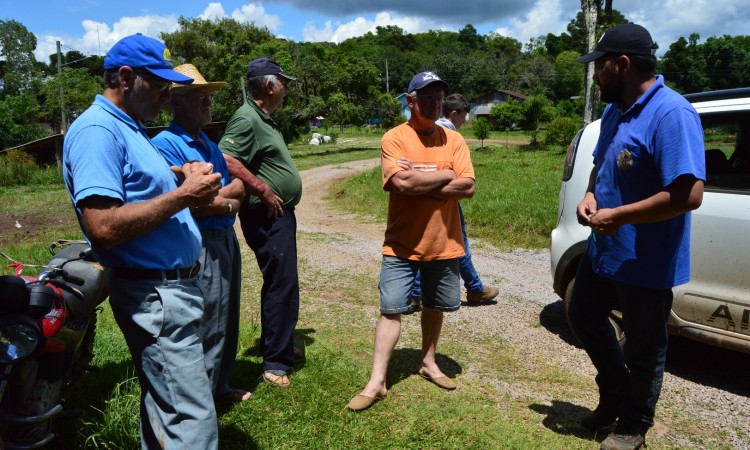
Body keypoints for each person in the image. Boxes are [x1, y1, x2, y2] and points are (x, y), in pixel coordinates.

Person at [63, 34, 223, 449]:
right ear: (125, 77)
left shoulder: (128, 127)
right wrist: (184, 195)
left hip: (168, 291)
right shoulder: (97, 131)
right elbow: (102, 225)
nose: (166, 97)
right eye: (158, 85)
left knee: (165, 405)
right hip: (155, 295)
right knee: (192, 421)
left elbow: (138, 188)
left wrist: (179, 177)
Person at [570, 23, 705, 450]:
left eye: (600, 67)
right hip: (604, 248)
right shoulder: (614, 110)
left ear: (622, 64)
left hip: (646, 257)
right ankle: (614, 393)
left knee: (645, 346)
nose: (596, 76)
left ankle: (633, 424)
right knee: (583, 314)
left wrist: (621, 216)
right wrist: (591, 193)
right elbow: (601, 164)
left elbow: (688, 194)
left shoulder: (672, 113)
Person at [347, 71, 476, 412]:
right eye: (428, 96)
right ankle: (377, 382)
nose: (436, 102)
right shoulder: (394, 138)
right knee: (391, 309)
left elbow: (468, 187)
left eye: (439, 97)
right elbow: (399, 185)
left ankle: (428, 362)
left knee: (435, 306)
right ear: (411, 100)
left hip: (444, 241)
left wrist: (422, 178)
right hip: (401, 244)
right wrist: (444, 175)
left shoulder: (455, 141)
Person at [152, 64, 251, 403]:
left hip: (225, 239)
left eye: (208, 95)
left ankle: (220, 387)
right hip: (200, 243)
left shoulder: (207, 142)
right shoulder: (166, 144)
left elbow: (237, 187)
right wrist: (226, 203)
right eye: (199, 96)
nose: (208, 102)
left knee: (226, 315)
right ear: (177, 103)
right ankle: (202, 403)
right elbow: (193, 204)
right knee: (206, 319)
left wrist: (222, 201)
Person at [219, 58, 302, 388]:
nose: (286, 89)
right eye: (283, 82)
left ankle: (279, 346)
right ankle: (275, 363)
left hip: (277, 214)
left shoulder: (264, 119)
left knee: (284, 281)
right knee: (281, 282)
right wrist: (263, 188)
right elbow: (225, 157)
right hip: (264, 215)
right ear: (269, 85)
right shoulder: (247, 117)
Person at [408, 93, 499, 311]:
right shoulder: (447, 133)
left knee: (424, 244)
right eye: (463, 117)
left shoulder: (424, 130)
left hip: (421, 200)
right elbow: (458, 178)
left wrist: (419, 185)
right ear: (454, 113)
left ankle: (415, 294)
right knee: (459, 243)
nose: (464, 122)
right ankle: (474, 288)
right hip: (444, 200)